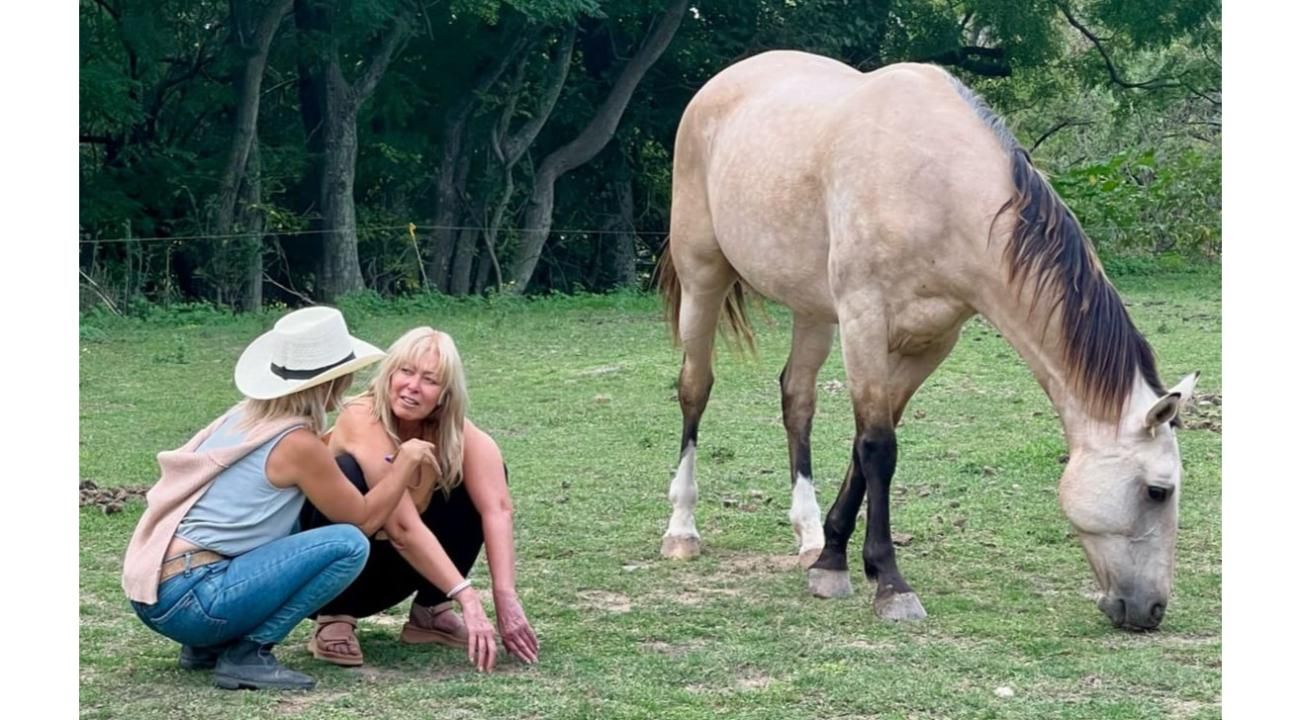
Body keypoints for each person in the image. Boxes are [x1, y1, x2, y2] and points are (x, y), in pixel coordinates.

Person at [122, 306, 436, 690]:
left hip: (156, 592)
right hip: (194, 600)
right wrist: (406, 462)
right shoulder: (296, 444)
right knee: (349, 544)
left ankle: (209, 645)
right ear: (333, 380)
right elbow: (364, 520)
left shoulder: (245, 417)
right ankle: (248, 653)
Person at [298, 326, 540, 673]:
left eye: (430, 380)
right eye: (406, 371)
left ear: (444, 394)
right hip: (324, 576)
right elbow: (402, 528)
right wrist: (468, 597)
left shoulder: (453, 430)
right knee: (348, 471)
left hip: (393, 570)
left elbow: (497, 509)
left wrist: (506, 596)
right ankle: (334, 617)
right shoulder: (362, 415)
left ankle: (431, 611)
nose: (413, 386)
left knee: (477, 479)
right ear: (389, 374)